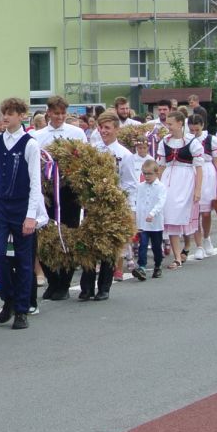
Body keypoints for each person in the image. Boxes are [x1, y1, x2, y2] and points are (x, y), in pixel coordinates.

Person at [0, 98, 45, 329]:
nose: (6, 117)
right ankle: (8, 298)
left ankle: (22, 309)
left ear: (21, 116)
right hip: (0, 206)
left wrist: (31, 215)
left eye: (11, 113)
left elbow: (35, 183)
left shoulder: (30, 144)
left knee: (24, 259)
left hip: (22, 206)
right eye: (4, 113)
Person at [83, 114, 136, 299]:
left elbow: (129, 183)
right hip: (93, 203)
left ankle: (104, 287)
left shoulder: (124, 154)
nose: (104, 131)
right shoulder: (92, 150)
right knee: (89, 244)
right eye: (101, 127)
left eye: (108, 128)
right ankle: (87, 287)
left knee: (107, 246)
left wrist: (126, 207)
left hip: (113, 204)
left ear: (116, 129)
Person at [160, 112, 204, 268]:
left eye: (170, 124)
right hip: (168, 180)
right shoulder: (165, 141)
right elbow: (161, 165)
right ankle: (177, 257)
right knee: (170, 214)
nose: (168, 127)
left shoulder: (191, 142)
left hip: (186, 180)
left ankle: (188, 246)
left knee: (182, 214)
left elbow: (199, 167)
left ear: (180, 124)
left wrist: (198, 189)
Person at [189, 113, 217, 258]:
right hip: (192, 172)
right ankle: (198, 246)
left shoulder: (211, 140)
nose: (194, 133)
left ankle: (206, 237)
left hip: (208, 173)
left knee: (206, 212)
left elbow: (216, 160)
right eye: (191, 130)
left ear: (202, 126)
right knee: (195, 212)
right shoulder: (186, 140)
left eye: (196, 130)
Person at [131, 160, 166, 280]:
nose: (147, 176)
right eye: (145, 173)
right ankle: (142, 267)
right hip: (143, 223)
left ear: (156, 173)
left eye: (150, 174)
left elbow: (161, 202)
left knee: (156, 246)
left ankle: (158, 265)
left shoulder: (160, 187)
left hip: (155, 223)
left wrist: (152, 213)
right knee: (143, 244)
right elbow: (137, 201)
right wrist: (135, 215)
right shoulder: (140, 186)